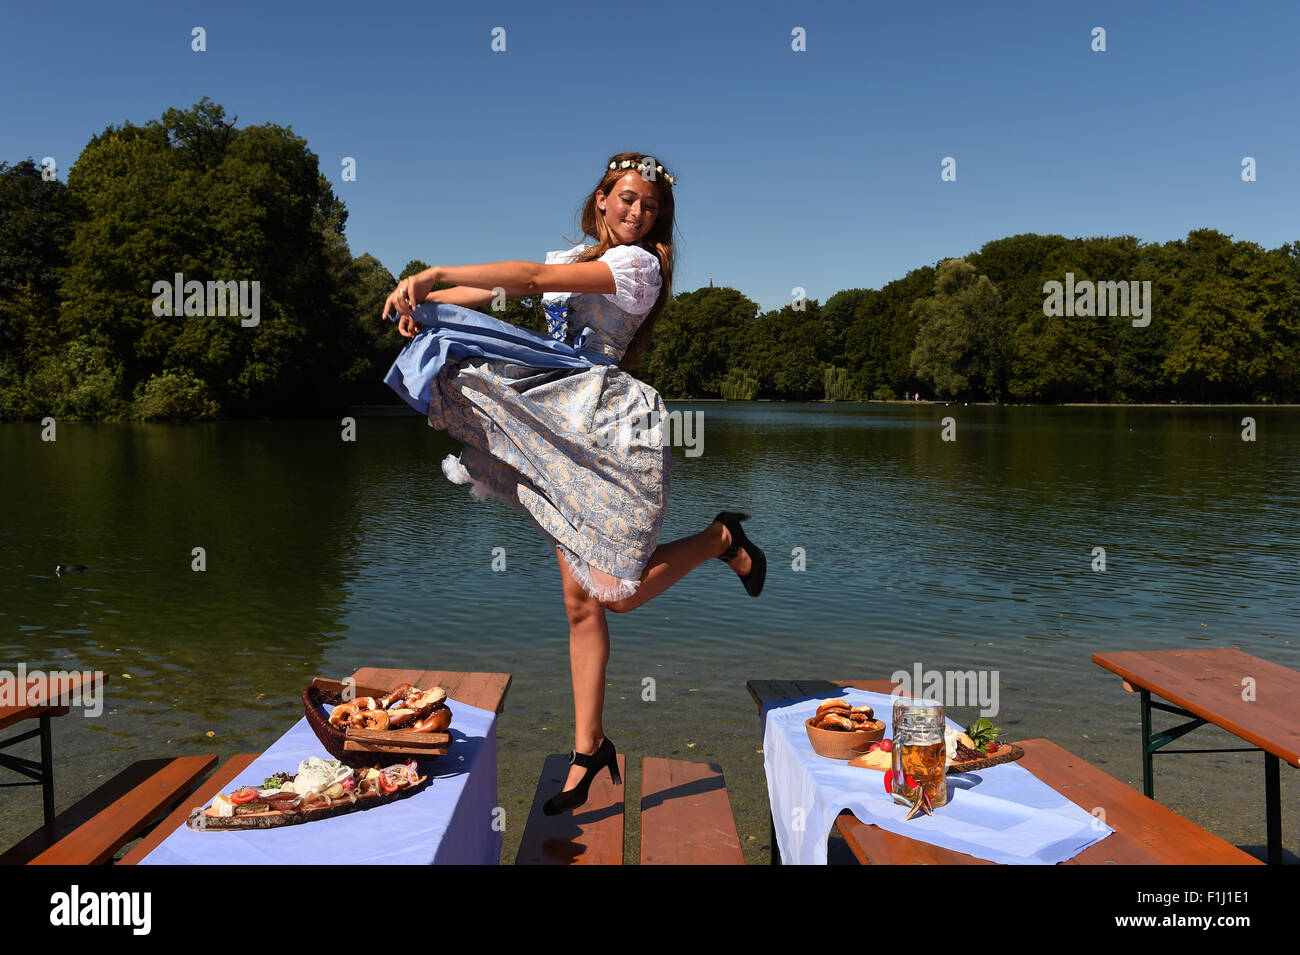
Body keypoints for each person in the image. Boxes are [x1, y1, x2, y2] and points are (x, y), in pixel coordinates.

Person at [380, 152, 766, 815]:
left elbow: (529, 279)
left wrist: (435, 271)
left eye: (649, 208)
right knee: (579, 604)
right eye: (626, 199)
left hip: (611, 426)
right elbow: (501, 296)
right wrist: (426, 302)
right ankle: (590, 749)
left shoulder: (636, 267)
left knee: (615, 593)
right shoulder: (575, 255)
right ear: (601, 199)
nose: (637, 214)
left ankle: (718, 538)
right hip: (560, 419)